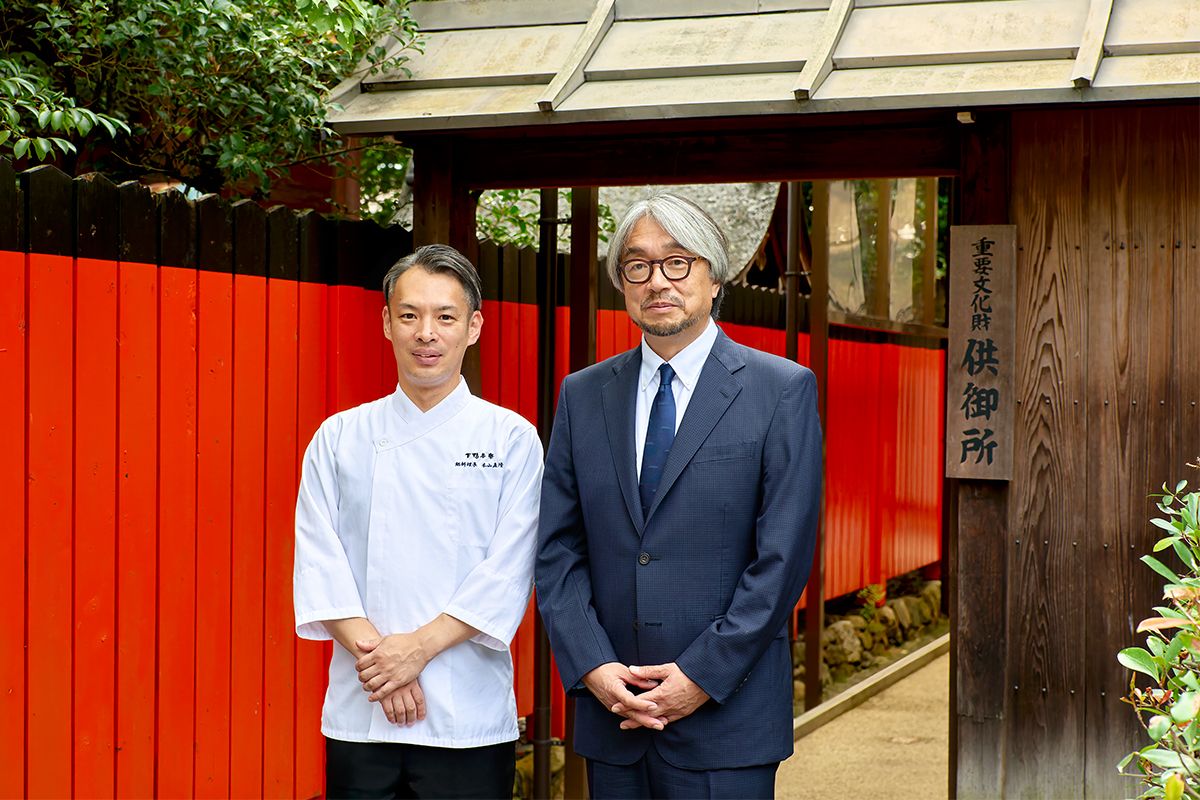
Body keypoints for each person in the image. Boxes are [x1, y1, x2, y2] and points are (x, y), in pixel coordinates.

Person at [536, 193, 822, 798]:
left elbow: (783, 559)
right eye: (637, 265)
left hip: (727, 716)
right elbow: (558, 549)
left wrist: (700, 675)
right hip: (613, 715)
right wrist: (593, 666)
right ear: (622, 282)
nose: (657, 280)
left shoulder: (779, 390)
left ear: (713, 276)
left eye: (678, 261)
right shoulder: (582, 396)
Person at [294, 244, 543, 799]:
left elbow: (509, 569)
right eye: (409, 315)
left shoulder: (511, 438)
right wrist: (386, 667)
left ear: (473, 327)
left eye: (445, 317)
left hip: (466, 713)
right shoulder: (339, 438)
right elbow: (320, 565)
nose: (425, 332)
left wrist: (418, 651)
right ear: (387, 322)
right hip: (364, 706)